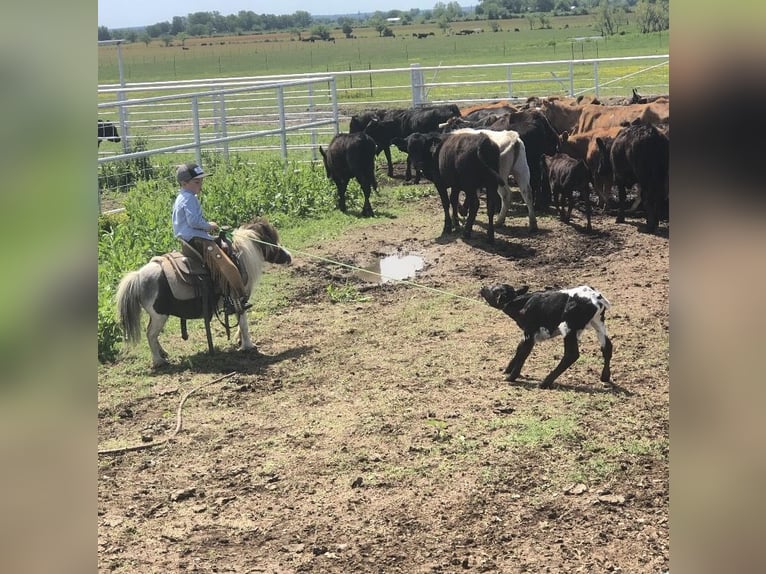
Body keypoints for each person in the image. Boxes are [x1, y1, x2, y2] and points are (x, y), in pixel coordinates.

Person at [172, 162, 251, 314]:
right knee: (226, 264)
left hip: (188, 239)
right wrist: (209, 225)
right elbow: (194, 221)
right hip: (197, 239)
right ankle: (236, 298)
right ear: (184, 183)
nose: (200, 185)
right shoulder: (189, 198)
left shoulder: (181, 197)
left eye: (201, 181)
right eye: (196, 182)